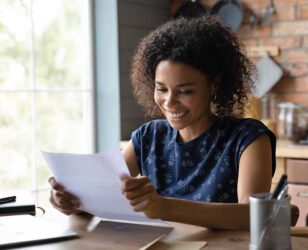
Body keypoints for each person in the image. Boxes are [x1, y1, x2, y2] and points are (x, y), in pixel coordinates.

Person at [49, 16, 278, 230]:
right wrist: (71, 201)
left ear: (215, 84)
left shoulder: (248, 139)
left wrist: (164, 207)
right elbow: (98, 196)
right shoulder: (148, 137)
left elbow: (252, 216)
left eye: (185, 91)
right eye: (161, 89)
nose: (169, 102)